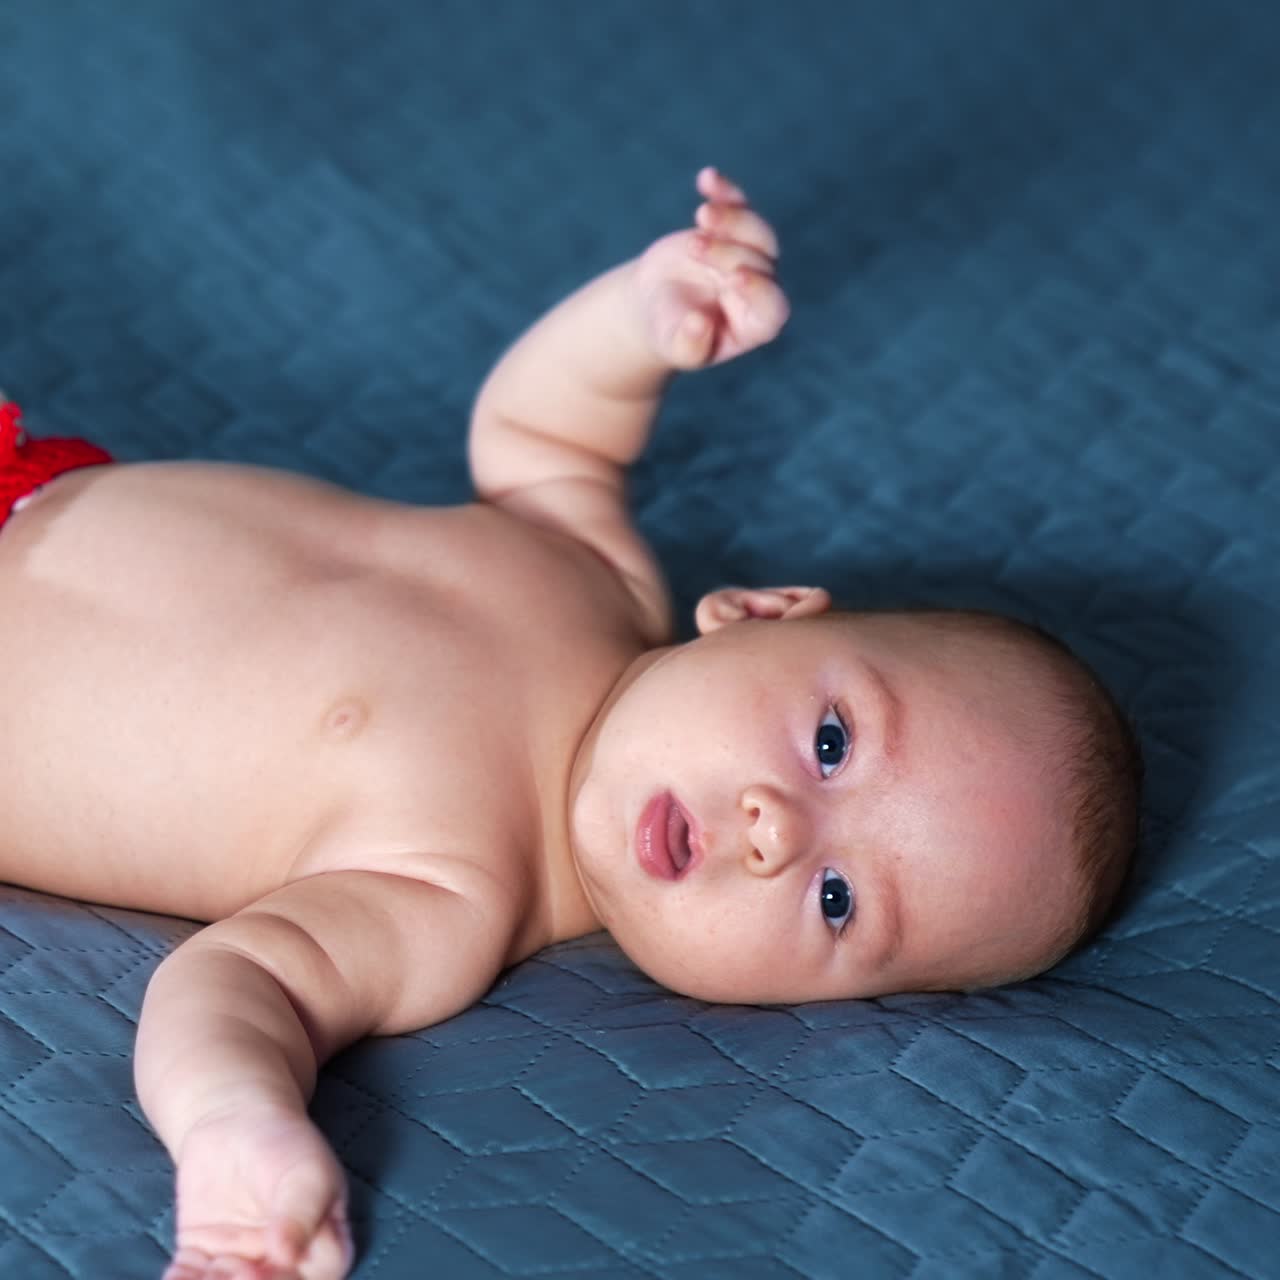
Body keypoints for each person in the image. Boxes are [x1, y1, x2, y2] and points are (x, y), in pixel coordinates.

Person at [0, 169, 1140, 1279]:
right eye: (831, 742)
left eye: (836, 900)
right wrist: (642, 317)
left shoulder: (451, 892)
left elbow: (246, 981)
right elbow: (546, 428)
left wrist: (232, 1125)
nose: (772, 831)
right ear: (756, 612)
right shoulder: (592, 570)